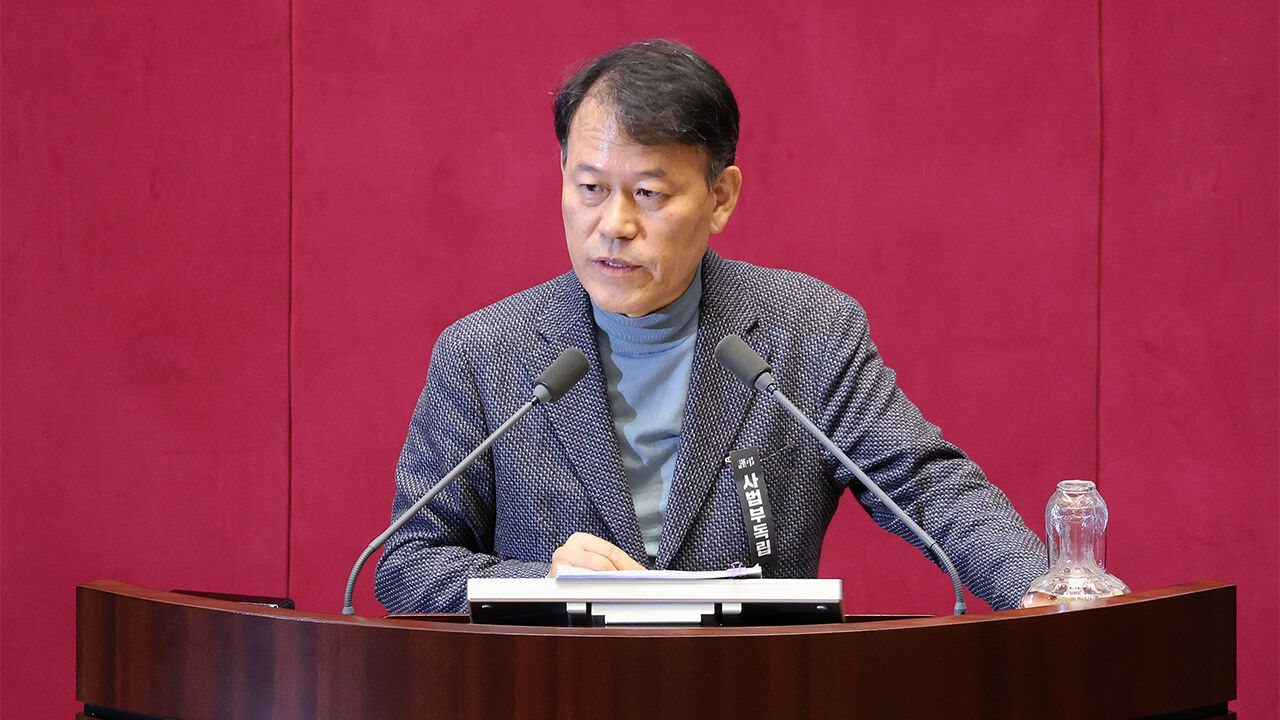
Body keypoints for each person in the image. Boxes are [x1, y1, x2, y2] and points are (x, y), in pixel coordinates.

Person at [374, 40, 1046, 614]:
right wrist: (545, 587)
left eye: (648, 193)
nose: (614, 225)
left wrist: (1043, 592)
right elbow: (407, 564)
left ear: (720, 197)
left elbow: (926, 486)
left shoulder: (807, 330)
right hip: (559, 693)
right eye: (590, 189)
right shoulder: (484, 353)